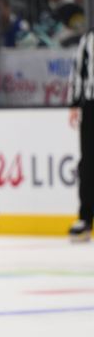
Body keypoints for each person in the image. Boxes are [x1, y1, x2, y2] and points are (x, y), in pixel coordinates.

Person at [67, 27, 94, 241]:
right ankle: (85, 218)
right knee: (89, 163)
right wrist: (75, 103)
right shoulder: (88, 38)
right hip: (91, 105)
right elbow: (78, 71)